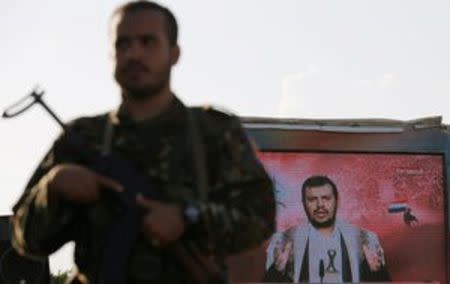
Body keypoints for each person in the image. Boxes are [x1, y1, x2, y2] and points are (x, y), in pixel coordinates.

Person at [10, 1, 275, 283]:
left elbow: (260, 217)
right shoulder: (83, 138)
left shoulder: (213, 132)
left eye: (148, 42)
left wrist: (188, 216)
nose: (133, 53)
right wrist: (53, 188)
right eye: (122, 44)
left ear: (174, 53)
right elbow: (25, 241)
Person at [264, 175, 390, 283]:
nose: (320, 205)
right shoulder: (282, 241)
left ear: (337, 201)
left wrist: (376, 272)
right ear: (303, 203)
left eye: (326, 198)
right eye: (312, 199)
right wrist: (276, 272)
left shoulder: (366, 239)